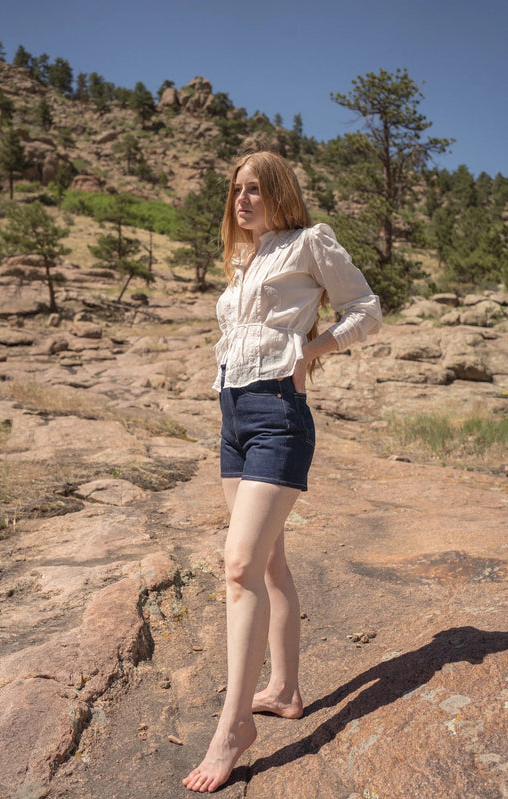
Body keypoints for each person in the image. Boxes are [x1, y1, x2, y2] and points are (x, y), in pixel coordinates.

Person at [183, 148, 382, 793]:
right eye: (237, 190)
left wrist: (314, 352)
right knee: (268, 563)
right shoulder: (243, 259)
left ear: (280, 192)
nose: (243, 200)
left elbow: (367, 311)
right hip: (234, 418)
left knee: (238, 565)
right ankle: (287, 689)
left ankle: (233, 725)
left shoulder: (309, 243)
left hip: (278, 416)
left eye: (256, 189)